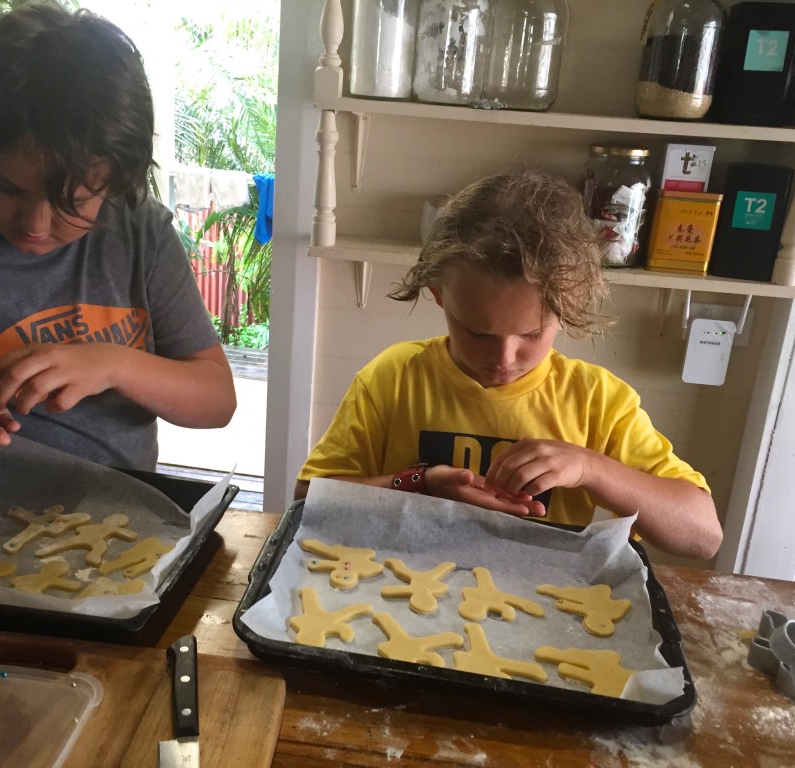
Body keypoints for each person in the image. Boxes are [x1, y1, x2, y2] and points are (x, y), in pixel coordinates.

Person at [0, 2, 236, 471]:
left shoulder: (140, 231)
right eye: (6, 188)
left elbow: (217, 401)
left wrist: (114, 364)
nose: (35, 226)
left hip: (123, 509)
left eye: (73, 202)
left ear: (115, 181)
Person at [295, 170, 723, 560]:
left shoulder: (596, 401)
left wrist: (590, 468)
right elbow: (307, 499)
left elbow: (703, 536)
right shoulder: (393, 378)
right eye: (476, 332)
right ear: (439, 295)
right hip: (399, 588)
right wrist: (418, 484)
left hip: (544, 605)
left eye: (532, 334)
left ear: (568, 308)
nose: (502, 358)